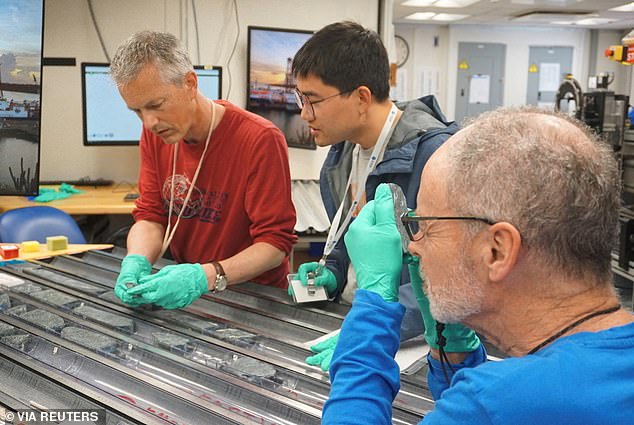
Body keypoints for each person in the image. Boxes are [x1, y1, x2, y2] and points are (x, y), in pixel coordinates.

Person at [323, 107, 634, 424]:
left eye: (427, 226)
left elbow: (494, 408)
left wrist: (372, 308)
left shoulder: (498, 402)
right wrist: (453, 349)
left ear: (497, 250)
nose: (414, 247)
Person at [291, 21, 459, 369]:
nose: (304, 113)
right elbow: (353, 234)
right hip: (360, 318)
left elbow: (450, 274)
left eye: (314, 100)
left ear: (362, 97)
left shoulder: (434, 156)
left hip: (411, 342)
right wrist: (334, 271)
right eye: (300, 98)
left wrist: (374, 329)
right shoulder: (343, 154)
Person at [109, 31, 297, 309]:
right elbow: (151, 216)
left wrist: (206, 276)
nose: (149, 122)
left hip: (254, 298)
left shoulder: (259, 139)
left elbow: (275, 244)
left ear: (189, 83)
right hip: (194, 296)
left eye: (156, 105)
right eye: (137, 111)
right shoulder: (155, 135)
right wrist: (135, 260)